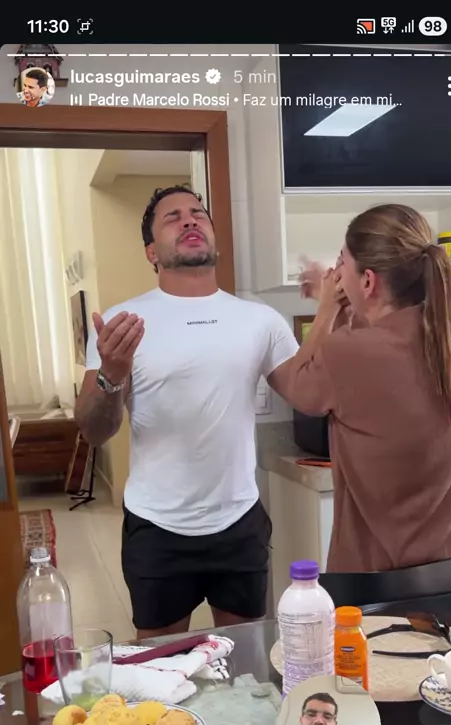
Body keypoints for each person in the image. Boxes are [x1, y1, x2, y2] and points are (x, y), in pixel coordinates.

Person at [75, 185, 299, 637]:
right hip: (157, 527)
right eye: (172, 217)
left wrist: (333, 312)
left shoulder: (260, 319)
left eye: (198, 213)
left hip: (239, 521)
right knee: (160, 664)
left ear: (214, 236)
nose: (190, 220)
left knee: (243, 659)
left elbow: (311, 395)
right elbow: (95, 430)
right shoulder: (122, 323)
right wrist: (112, 374)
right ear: (151, 251)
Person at [269, 204, 451, 572]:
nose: (336, 273)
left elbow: (291, 381)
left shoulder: (346, 353)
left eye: (342, 262)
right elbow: (385, 339)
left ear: (368, 281)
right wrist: (344, 304)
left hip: (374, 581)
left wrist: (326, 308)